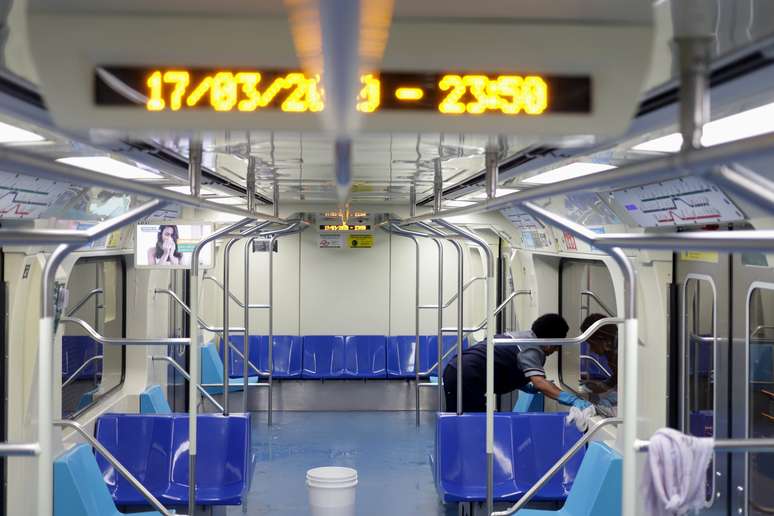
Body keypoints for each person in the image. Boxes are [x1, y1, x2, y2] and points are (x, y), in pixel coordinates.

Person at [442, 313, 592, 413]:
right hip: (468, 376)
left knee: (459, 418)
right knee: (473, 422)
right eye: (556, 345)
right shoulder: (532, 349)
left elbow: (503, 365)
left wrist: (525, 385)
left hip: (455, 369)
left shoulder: (519, 337)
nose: (556, 350)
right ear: (549, 340)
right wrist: (573, 400)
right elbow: (540, 382)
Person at [580, 313, 618, 396]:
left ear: (604, 340)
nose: (591, 350)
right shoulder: (610, 353)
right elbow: (617, 377)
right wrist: (603, 385)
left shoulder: (619, 355)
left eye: (591, 344)